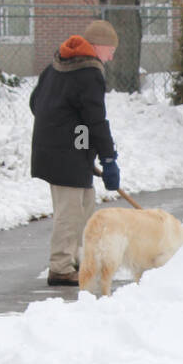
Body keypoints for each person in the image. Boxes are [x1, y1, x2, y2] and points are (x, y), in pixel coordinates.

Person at [29, 19, 121, 287]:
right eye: (111, 49)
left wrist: (77, 142)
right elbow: (96, 121)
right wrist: (108, 159)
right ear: (98, 46)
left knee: (85, 207)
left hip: (65, 152)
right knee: (69, 213)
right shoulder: (89, 73)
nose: (112, 55)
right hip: (63, 155)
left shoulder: (56, 66)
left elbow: (36, 103)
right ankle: (60, 268)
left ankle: (81, 259)